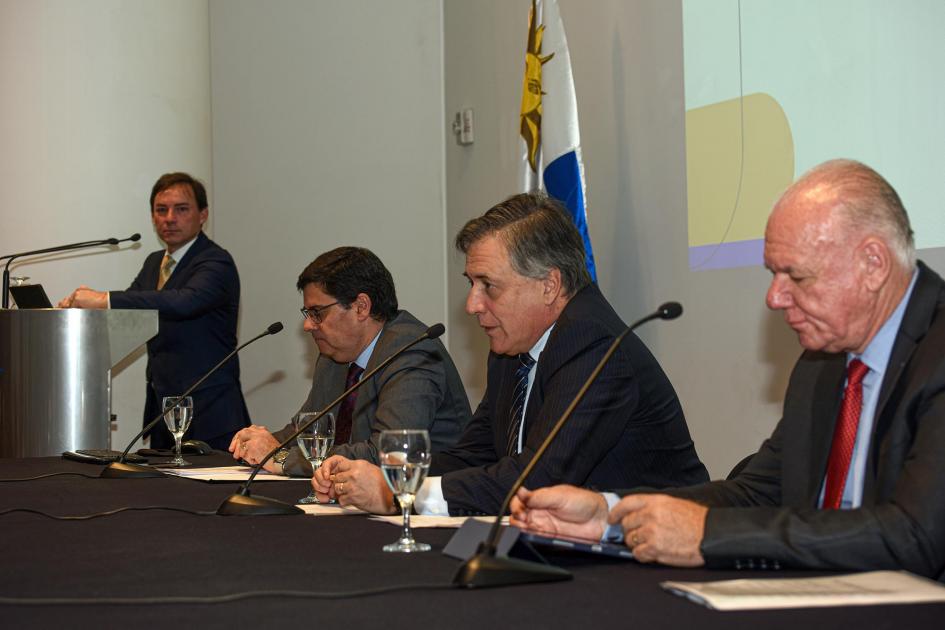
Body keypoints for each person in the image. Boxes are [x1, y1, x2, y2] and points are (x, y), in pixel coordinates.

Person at [510, 160, 945, 580]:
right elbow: (756, 492)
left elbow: (915, 536)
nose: (774, 298)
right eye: (774, 274)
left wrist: (708, 535)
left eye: (796, 276)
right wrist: (611, 515)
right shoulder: (823, 364)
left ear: (873, 264)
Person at [313, 193, 708, 515]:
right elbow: (475, 455)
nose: (472, 304)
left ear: (549, 285)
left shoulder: (595, 345)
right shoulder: (512, 347)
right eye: (471, 283)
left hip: (655, 557)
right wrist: (386, 472)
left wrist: (401, 494)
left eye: (489, 285)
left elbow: (537, 478)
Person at [228, 247, 471, 476]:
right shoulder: (335, 357)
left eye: (317, 313)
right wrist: (259, 444)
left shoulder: (412, 352)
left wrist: (280, 458)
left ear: (361, 307)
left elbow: (388, 455)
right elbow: (308, 431)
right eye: (308, 314)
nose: (308, 325)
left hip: (426, 507)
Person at [59, 172, 250, 450]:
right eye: (161, 210)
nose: (169, 218)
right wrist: (78, 310)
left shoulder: (215, 260)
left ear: (203, 214)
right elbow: (131, 310)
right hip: (163, 409)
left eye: (181, 209)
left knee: (207, 493)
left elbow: (184, 302)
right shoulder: (153, 263)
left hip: (210, 410)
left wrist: (104, 298)